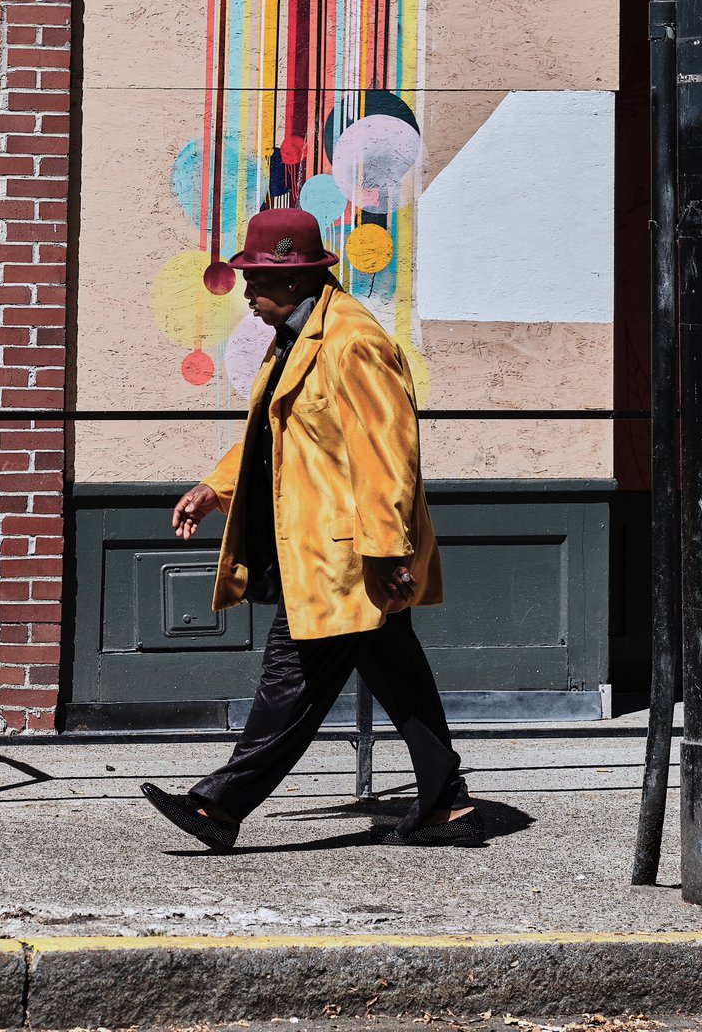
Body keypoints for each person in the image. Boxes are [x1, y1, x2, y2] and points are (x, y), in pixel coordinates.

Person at [141, 208, 484, 851]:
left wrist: (385, 551)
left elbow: (389, 456)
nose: (247, 293)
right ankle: (446, 803)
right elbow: (271, 435)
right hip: (327, 547)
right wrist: (213, 489)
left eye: (256, 281)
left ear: (295, 281)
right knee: (396, 671)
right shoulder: (296, 334)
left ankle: (220, 807)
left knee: (290, 676)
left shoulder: (352, 342)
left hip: (346, 554)